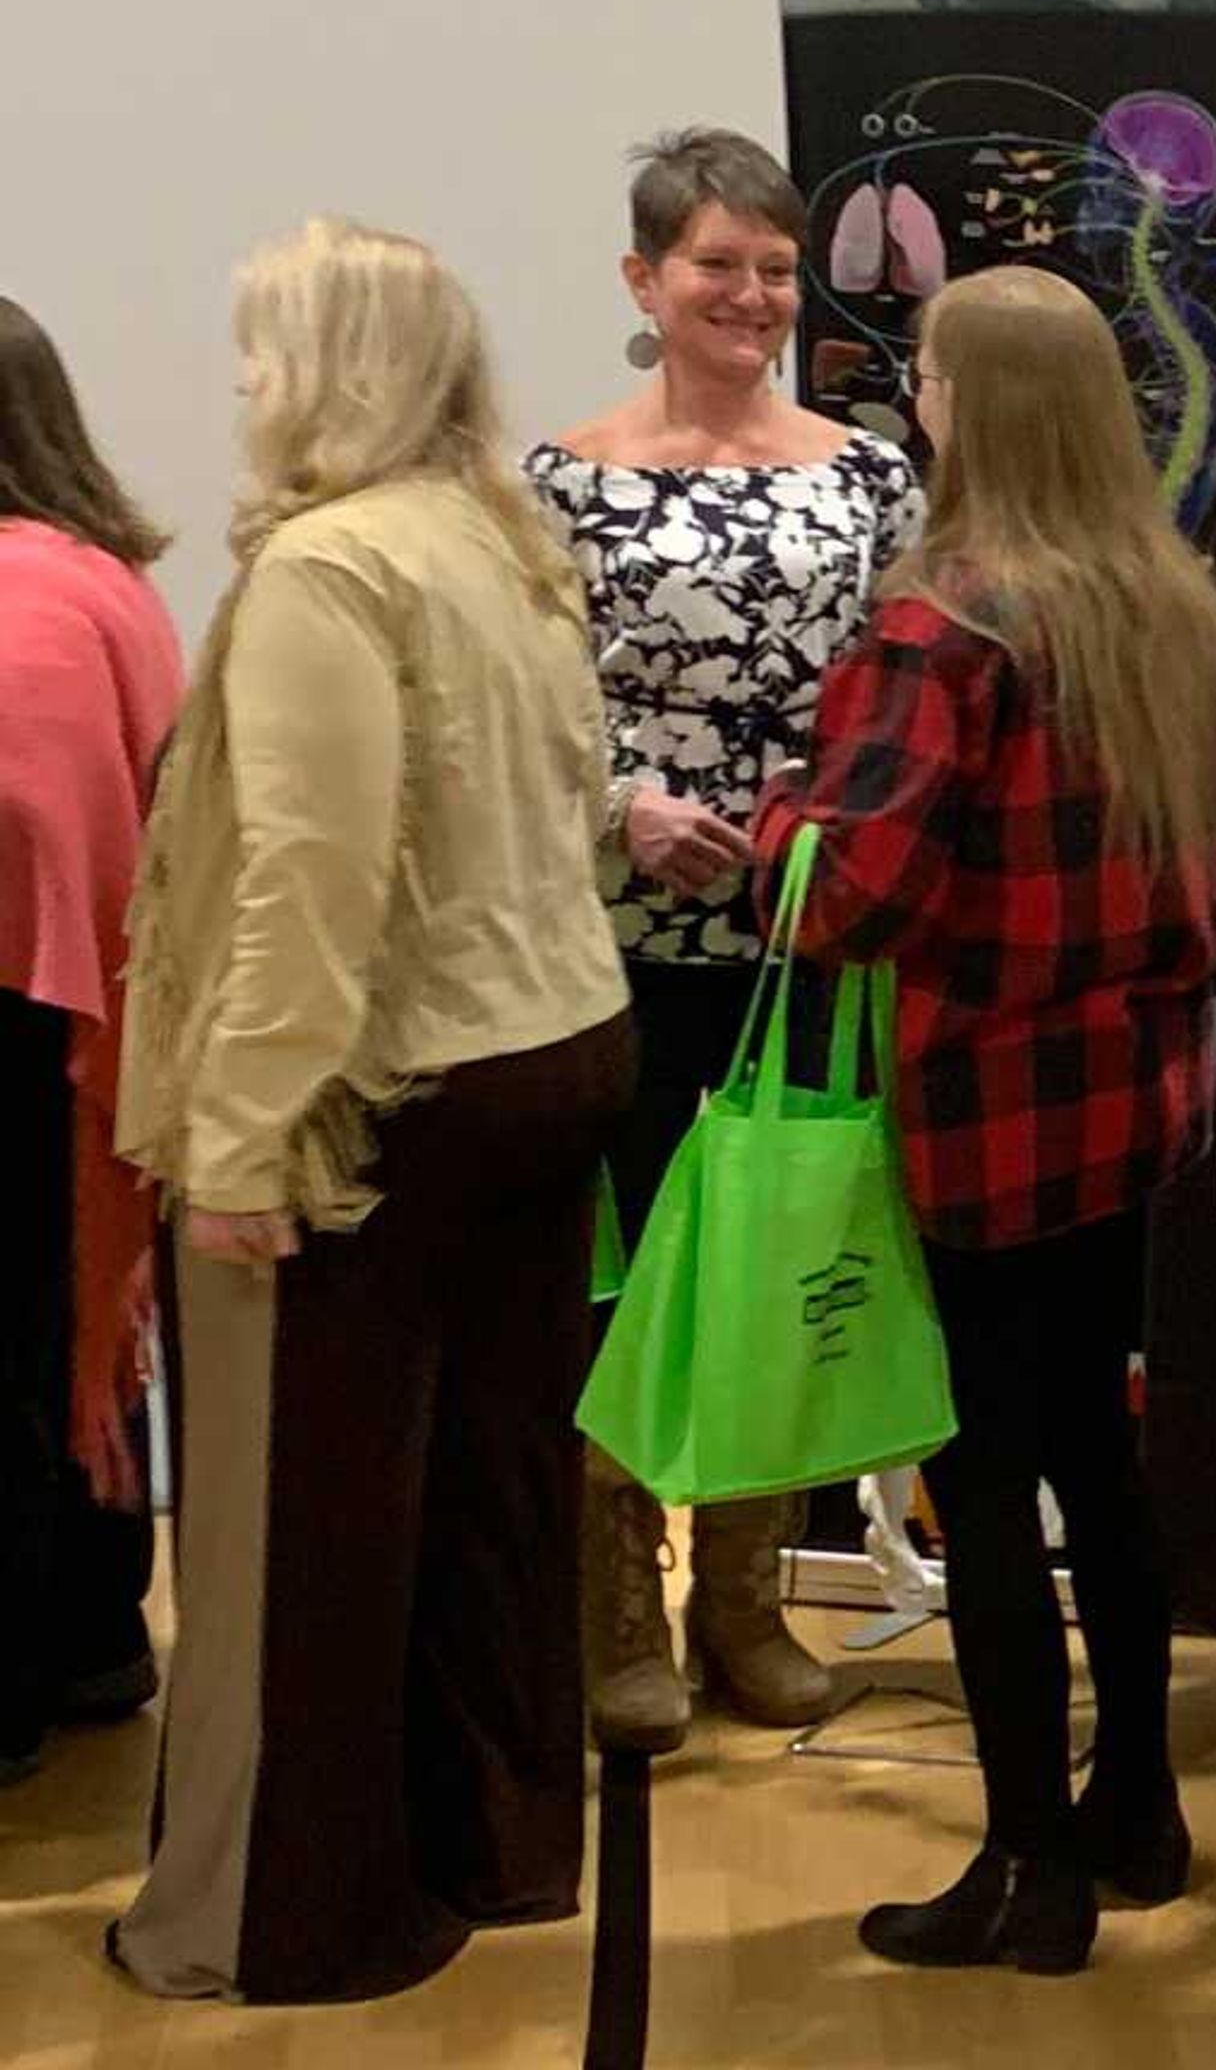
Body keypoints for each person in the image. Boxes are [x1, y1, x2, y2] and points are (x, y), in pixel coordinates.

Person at [111, 222, 635, 2004]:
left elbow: (310, 887)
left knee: (297, 1531)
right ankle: (488, 1848)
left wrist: (243, 1141)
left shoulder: (329, 571)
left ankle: (287, 1919)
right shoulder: (503, 544)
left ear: (335, 371)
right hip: (556, 1045)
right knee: (490, 1488)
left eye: (263, 350)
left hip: (393, 1095)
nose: (244, 385)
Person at [753, 264, 1216, 1976]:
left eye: (935, 378)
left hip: (982, 1123)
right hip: (1131, 1112)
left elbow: (851, 901)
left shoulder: (945, 628)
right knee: (1101, 1466)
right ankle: (1140, 1805)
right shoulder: (1184, 617)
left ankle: (1026, 1869)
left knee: (983, 1482)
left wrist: (762, 829)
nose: (919, 402)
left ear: (974, 407)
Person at [529, 127, 919, 1751]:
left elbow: (907, 708)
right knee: (614, 1288)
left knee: (772, 1272)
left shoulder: (871, 474)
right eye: (716, 265)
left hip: (799, 950)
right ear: (643, 279)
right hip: (610, 948)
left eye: (773, 267)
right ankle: (618, 1618)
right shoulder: (560, 484)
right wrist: (619, 806)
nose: (750, 295)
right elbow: (521, 717)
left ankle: (745, 1608)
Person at [0, 302, 183, 1787]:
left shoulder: (24, 599)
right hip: (105, 1024)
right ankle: (94, 1634)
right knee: (72, 1315)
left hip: (18, 1014)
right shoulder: (110, 584)